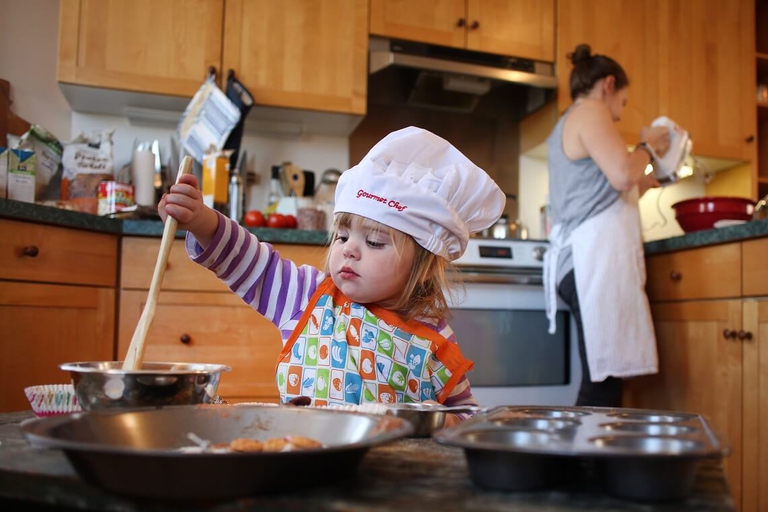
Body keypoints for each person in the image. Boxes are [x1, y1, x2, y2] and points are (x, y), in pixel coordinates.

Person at [159, 126, 506, 425]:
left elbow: (469, 415)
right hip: (306, 464)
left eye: (373, 242)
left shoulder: (436, 338)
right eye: (342, 237)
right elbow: (250, 261)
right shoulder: (307, 296)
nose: (349, 249)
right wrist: (202, 222)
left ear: (422, 265)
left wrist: (443, 421)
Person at [543, 44, 671, 407]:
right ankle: (582, 463)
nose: (618, 116)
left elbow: (613, 188)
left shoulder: (573, 119)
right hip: (589, 262)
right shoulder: (590, 110)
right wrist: (647, 145)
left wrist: (650, 177)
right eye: (623, 104)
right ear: (609, 85)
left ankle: (588, 460)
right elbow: (621, 175)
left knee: (605, 377)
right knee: (603, 380)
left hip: (581, 261)